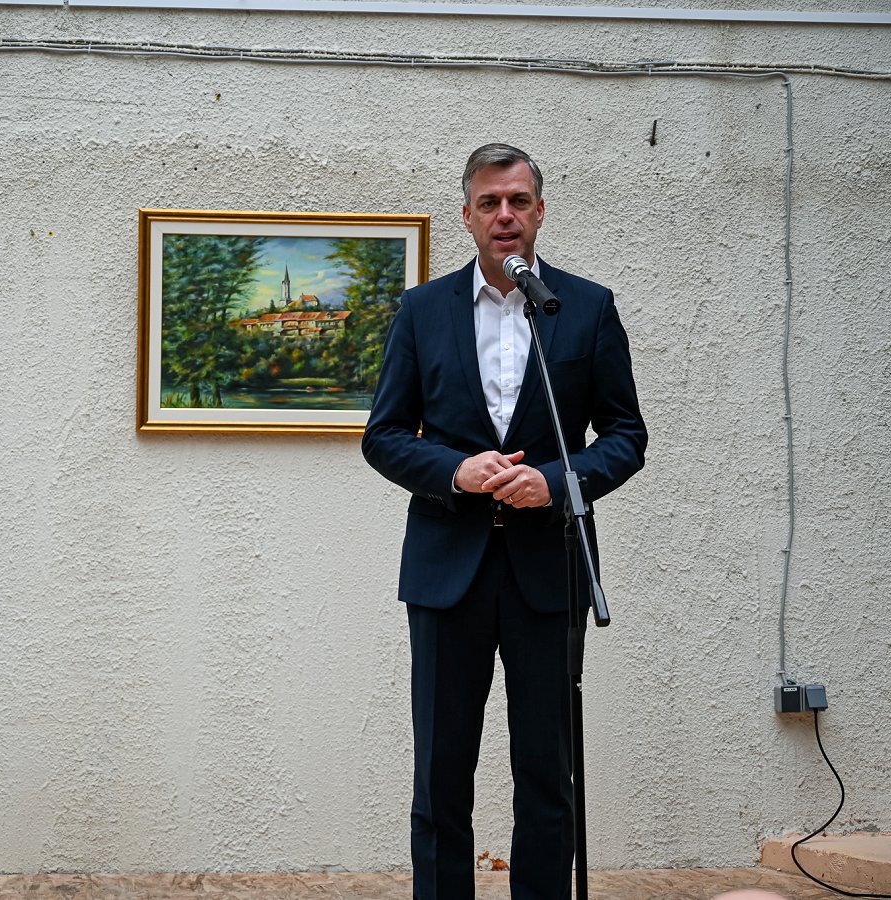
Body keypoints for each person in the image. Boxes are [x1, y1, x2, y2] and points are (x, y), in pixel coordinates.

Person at [361, 143, 648, 899]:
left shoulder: (586, 307)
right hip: (446, 574)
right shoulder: (423, 311)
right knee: (440, 778)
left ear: (540, 211)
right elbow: (382, 436)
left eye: (519, 201)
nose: (505, 215)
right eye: (489, 203)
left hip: (549, 572)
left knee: (547, 778)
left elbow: (626, 437)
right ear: (467, 216)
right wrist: (454, 472)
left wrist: (553, 482)